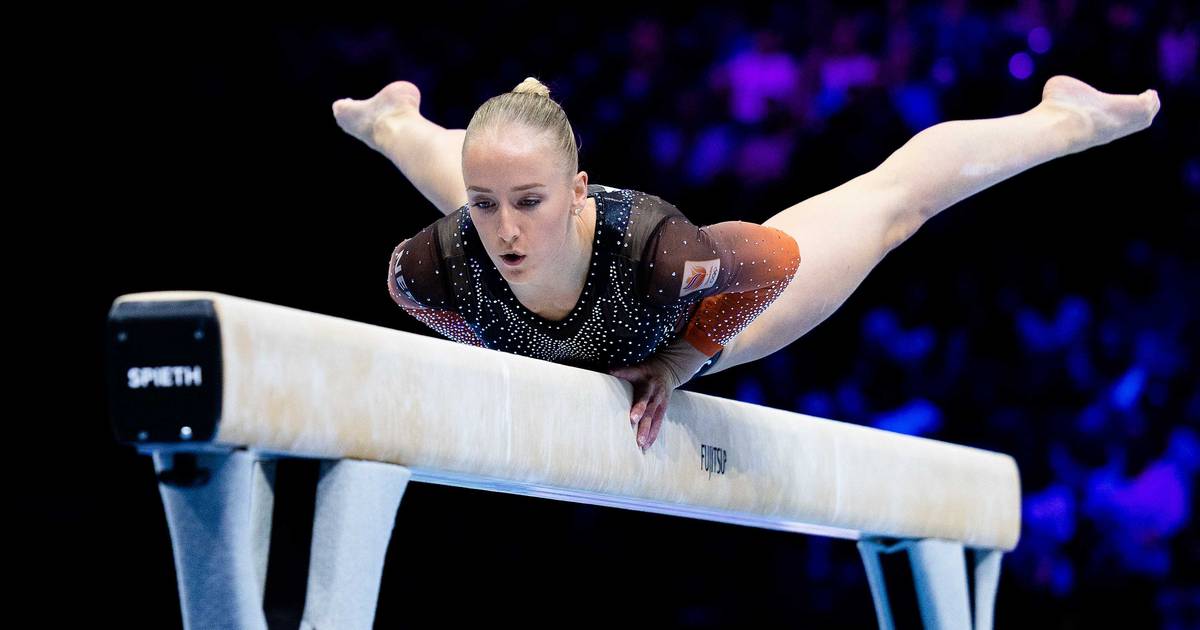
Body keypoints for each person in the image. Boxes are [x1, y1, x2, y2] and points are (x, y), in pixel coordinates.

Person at [333, 75, 1159, 451]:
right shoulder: (439, 261)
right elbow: (455, 264)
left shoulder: (661, 254)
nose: (502, 226)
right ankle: (394, 120)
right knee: (495, 211)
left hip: (695, 318)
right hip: (557, 285)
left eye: (535, 199)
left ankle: (1063, 118)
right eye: (484, 206)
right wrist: (504, 361)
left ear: (581, 190)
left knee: (889, 207)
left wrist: (681, 359)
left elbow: (773, 259)